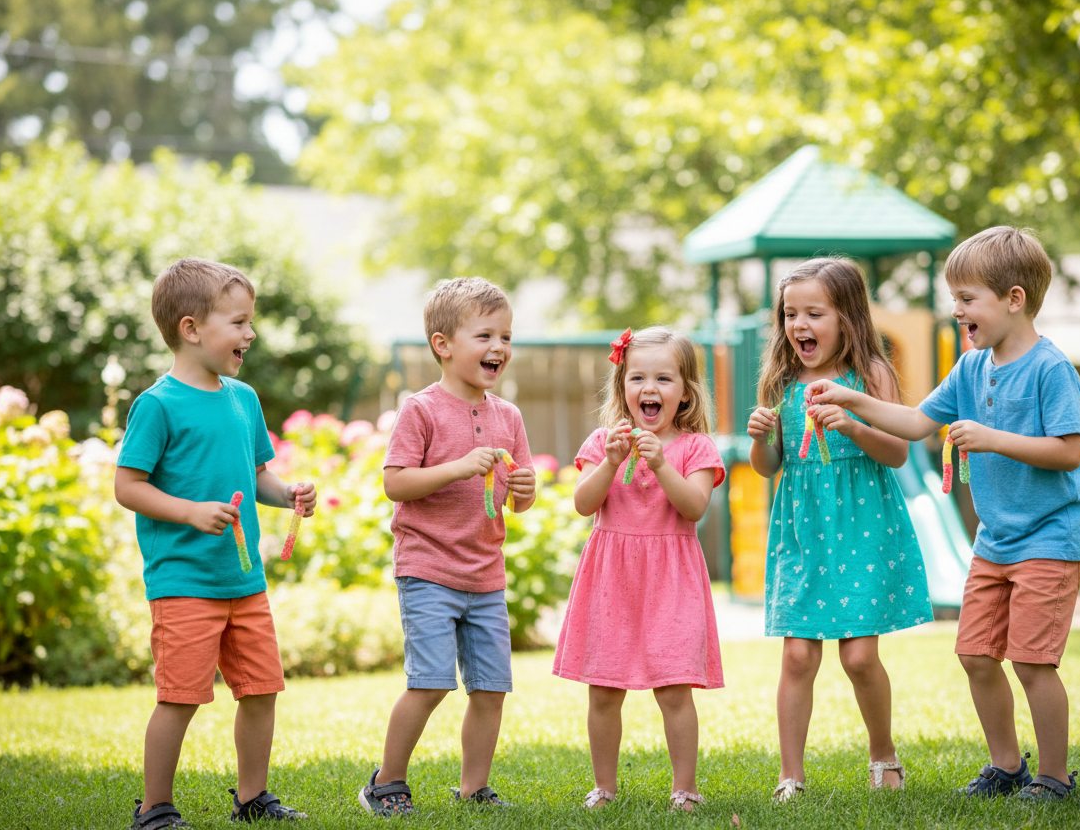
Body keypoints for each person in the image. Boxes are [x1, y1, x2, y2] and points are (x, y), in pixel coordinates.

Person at [807, 227, 1080, 802]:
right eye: (954, 297)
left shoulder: (1049, 369)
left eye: (967, 298)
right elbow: (915, 424)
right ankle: (1006, 767)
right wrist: (849, 398)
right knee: (975, 654)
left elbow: (1070, 450)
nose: (955, 309)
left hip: (1050, 537)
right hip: (995, 541)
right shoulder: (970, 367)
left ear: (1014, 299)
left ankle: (1055, 778)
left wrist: (993, 438)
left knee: (1033, 663)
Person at [114, 257, 316, 828]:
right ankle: (154, 808)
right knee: (179, 696)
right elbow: (128, 486)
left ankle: (253, 798)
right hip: (185, 581)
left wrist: (289, 493)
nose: (249, 334)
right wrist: (189, 512)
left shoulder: (243, 398)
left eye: (250, 322)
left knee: (260, 690)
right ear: (191, 328)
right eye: (238, 322)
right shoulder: (157, 405)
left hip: (243, 580)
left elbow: (257, 479)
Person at [747, 258, 932, 801]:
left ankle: (883, 754)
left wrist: (851, 422)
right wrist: (762, 439)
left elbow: (897, 452)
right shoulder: (780, 380)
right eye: (790, 314)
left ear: (847, 317)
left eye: (814, 313)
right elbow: (770, 464)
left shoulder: (869, 374)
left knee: (858, 655)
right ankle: (791, 776)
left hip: (861, 526)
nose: (799, 325)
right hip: (803, 531)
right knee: (798, 655)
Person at [358, 277, 537, 816]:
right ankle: (386, 783)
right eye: (485, 335)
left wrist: (524, 491)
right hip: (428, 569)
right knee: (431, 682)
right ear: (443, 345)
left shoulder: (509, 417)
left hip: (485, 575)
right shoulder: (422, 410)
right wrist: (458, 467)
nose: (499, 348)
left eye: (506, 337)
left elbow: (516, 499)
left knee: (490, 688)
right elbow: (395, 483)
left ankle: (473, 789)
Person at [553, 326, 726, 812]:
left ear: (685, 393)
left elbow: (693, 507)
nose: (649, 389)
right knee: (604, 689)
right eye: (638, 378)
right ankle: (604, 787)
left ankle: (684, 789)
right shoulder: (603, 442)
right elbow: (584, 504)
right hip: (612, 580)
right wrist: (610, 463)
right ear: (622, 386)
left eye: (664, 379)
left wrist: (663, 465)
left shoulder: (695, 447)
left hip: (671, 579)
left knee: (674, 689)